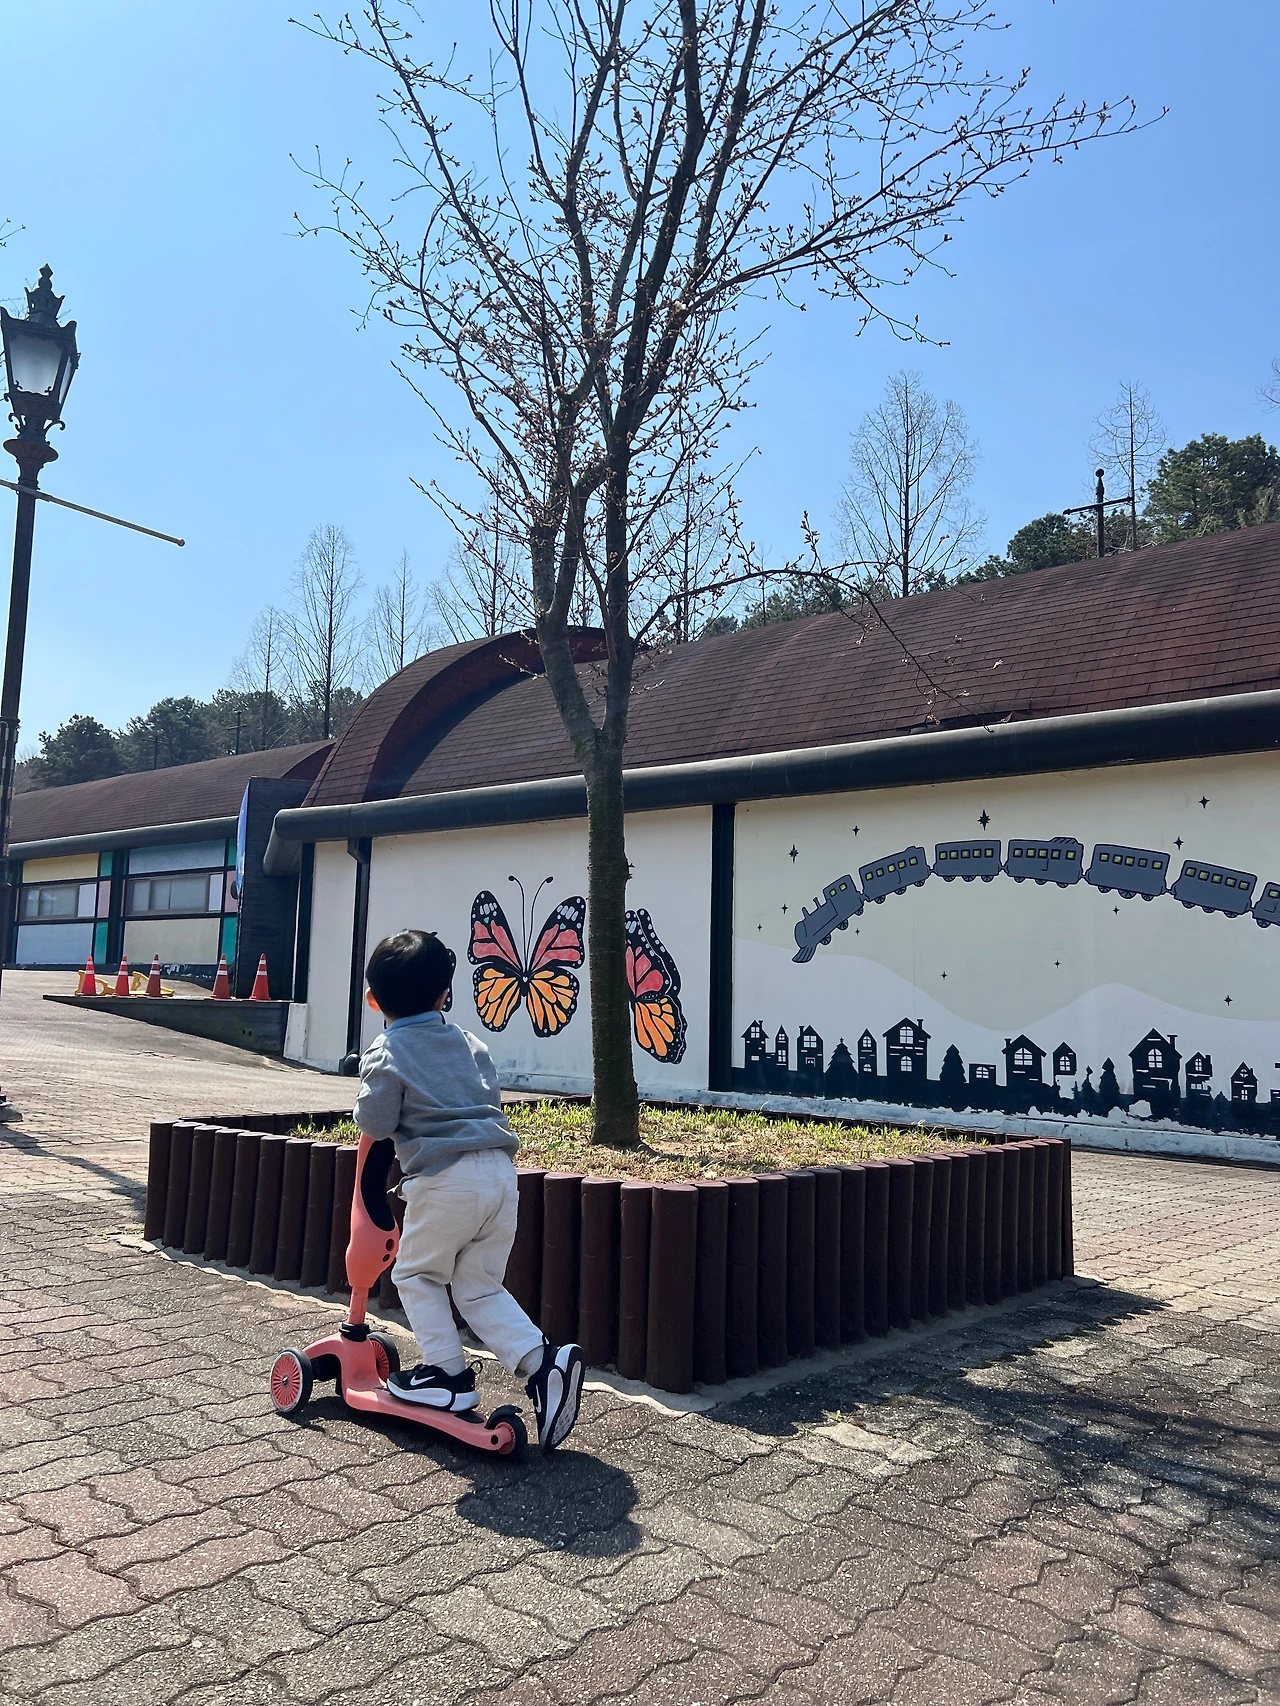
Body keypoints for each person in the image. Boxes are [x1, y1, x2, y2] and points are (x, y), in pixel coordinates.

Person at [353, 928, 584, 1450]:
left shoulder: (386, 1050)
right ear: (444, 996)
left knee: (416, 1274)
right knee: (478, 1286)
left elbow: (378, 1121)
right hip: (500, 1174)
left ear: (373, 1001)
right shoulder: (470, 1043)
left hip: (444, 1180)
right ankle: (543, 1362)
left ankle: (446, 1374)